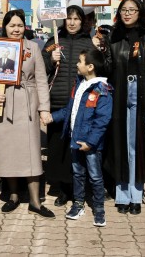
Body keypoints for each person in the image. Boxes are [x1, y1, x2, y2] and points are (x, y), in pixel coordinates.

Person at [0, 10, 54, 218]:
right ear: (5, 27)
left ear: (25, 27)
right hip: (3, 104)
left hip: (27, 104)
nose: (16, 29)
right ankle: (12, 195)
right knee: (8, 152)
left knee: (31, 153)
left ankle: (35, 201)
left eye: (20, 25)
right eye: (12, 25)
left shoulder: (33, 48)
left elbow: (41, 79)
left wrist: (44, 109)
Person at [104, 0, 145, 215]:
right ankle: (122, 194)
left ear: (140, 13)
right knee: (120, 143)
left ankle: (136, 195)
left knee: (137, 146)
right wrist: (101, 51)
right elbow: (108, 69)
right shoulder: (113, 35)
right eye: (123, 10)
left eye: (132, 9)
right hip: (119, 96)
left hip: (141, 95)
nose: (127, 13)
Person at [45, 49, 112, 227]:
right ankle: (78, 203)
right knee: (77, 174)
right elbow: (69, 110)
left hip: (91, 145)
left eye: (80, 61)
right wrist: (53, 117)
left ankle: (99, 209)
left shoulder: (102, 90)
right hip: (75, 140)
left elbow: (102, 121)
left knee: (95, 177)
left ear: (90, 67)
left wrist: (90, 142)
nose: (76, 64)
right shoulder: (80, 84)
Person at [42, 6, 99, 207]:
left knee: (76, 149)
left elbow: (98, 69)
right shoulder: (54, 41)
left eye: (76, 19)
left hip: (79, 104)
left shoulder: (88, 42)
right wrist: (50, 59)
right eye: (69, 18)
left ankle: (78, 189)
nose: (72, 22)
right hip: (57, 103)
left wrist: (99, 48)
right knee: (58, 149)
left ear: (82, 21)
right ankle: (63, 189)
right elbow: (41, 70)